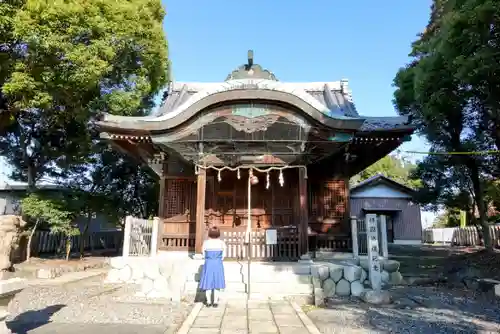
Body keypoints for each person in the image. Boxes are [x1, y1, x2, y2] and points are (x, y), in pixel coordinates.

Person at [199, 226, 227, 307]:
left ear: (209, 233)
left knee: (208, 282)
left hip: (209, 263)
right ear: (218, 233)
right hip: (218, 263)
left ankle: (208, 302)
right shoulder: (222, 243)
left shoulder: (206, 243)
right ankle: (215, 302)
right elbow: (223, 256)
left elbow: (203, 254)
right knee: (217, 283)